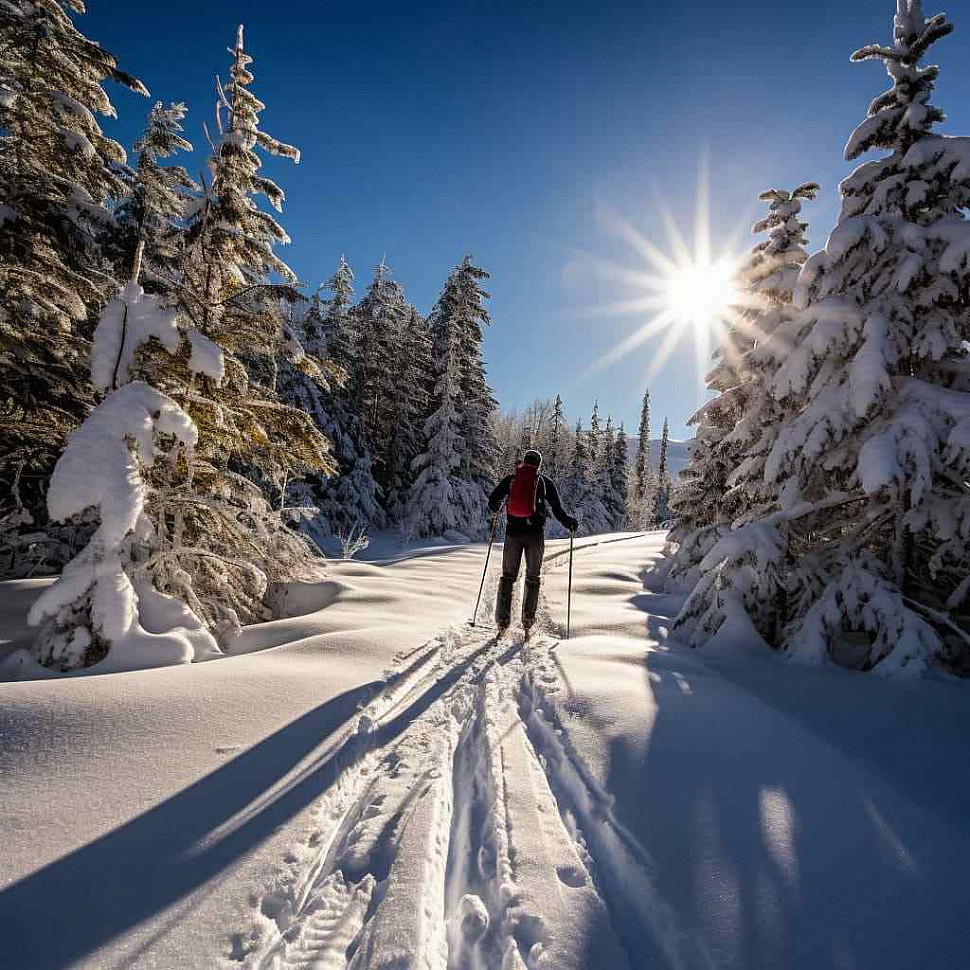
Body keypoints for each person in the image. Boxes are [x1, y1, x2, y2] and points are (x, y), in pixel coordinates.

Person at [488, 449, 578, 634]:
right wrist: (569, 522)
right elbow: (557, 510)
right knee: (532, 577)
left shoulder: (511, 479)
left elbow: (492, 502)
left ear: (524, 462)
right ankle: (528, 622)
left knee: (507, 577)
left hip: (513, 532)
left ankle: (502, 622)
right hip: (534, 535)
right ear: (538, 465)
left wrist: (498, 507)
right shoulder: (544, 482)